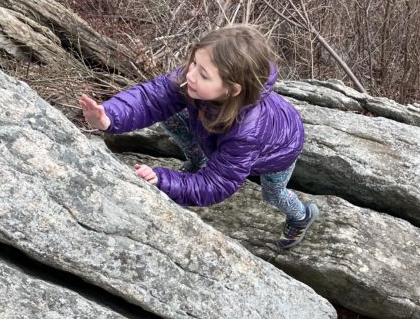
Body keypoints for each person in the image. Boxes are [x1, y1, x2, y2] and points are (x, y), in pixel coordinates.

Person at [79, 24, 319, 251]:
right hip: (221, 128)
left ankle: (301, 216)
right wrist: (109, 117)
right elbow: (152, 98)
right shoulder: (193, 80)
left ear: (232, 89)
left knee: (273, 194)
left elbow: (216, 184)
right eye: (193, 63)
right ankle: (197, 162)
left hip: (280, 151)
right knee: (171, 116)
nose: (191, 75)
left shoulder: (248, 131)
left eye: (203, 74)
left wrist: (162, 180)